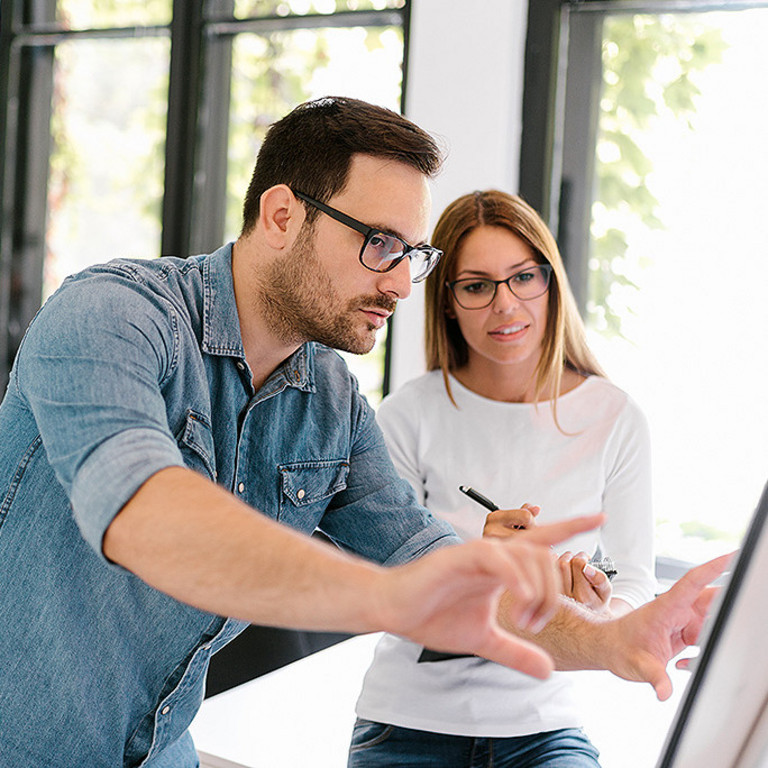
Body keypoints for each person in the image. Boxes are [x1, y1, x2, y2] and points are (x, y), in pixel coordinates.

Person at [0, 98, 723, 768]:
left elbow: (433, 562)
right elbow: (146, 517)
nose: (404, 285)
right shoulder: (113, 316)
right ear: (282, 215)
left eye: (414, 255)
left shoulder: (332, 401)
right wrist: (390, 599)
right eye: (380, 244)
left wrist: (612, 639)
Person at [348, 189, 659, 766]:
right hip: (407, 726)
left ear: (551, 283)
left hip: (545, 727)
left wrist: (596, 608)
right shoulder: (407, 415)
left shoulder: (615, 418)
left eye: (523, 278)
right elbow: (383, 591)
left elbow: (636, 585)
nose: (505, 305)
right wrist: (478, 567)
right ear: (447, 302)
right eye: (476, 286)